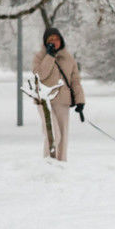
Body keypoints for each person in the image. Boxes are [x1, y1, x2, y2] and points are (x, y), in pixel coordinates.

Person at [31, 26, 86, 161]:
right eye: (50, 39)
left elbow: (75, 81)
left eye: (56, 39)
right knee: (53, 134)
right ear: (45, 42)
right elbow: (40, 75)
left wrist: (80, 101)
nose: (54, 41)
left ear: (61, 40)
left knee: (63, 136)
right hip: (44, 101)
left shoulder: (68, 58)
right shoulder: (39, 57)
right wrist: (49, 56)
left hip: (63, 101)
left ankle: (61, 165)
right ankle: (49, 164)